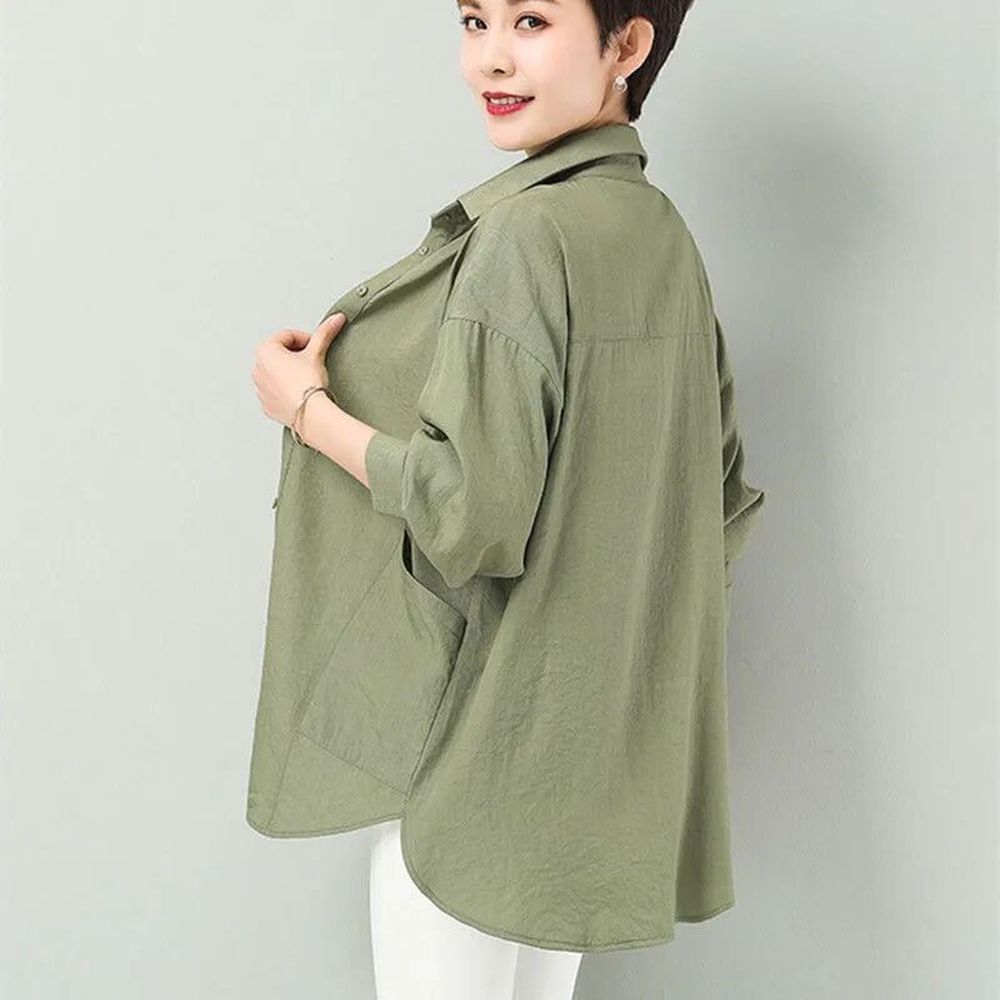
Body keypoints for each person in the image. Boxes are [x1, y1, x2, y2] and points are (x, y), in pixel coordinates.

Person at [247, 1, 767, 997]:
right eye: (474, 19)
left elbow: (471, 512)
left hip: (477, 777)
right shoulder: (663, 235)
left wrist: (306, 409)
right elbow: (720, 502)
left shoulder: (525, 235)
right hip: (588, 779)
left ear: (627, 44)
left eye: (530, 21)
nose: (488, 59)